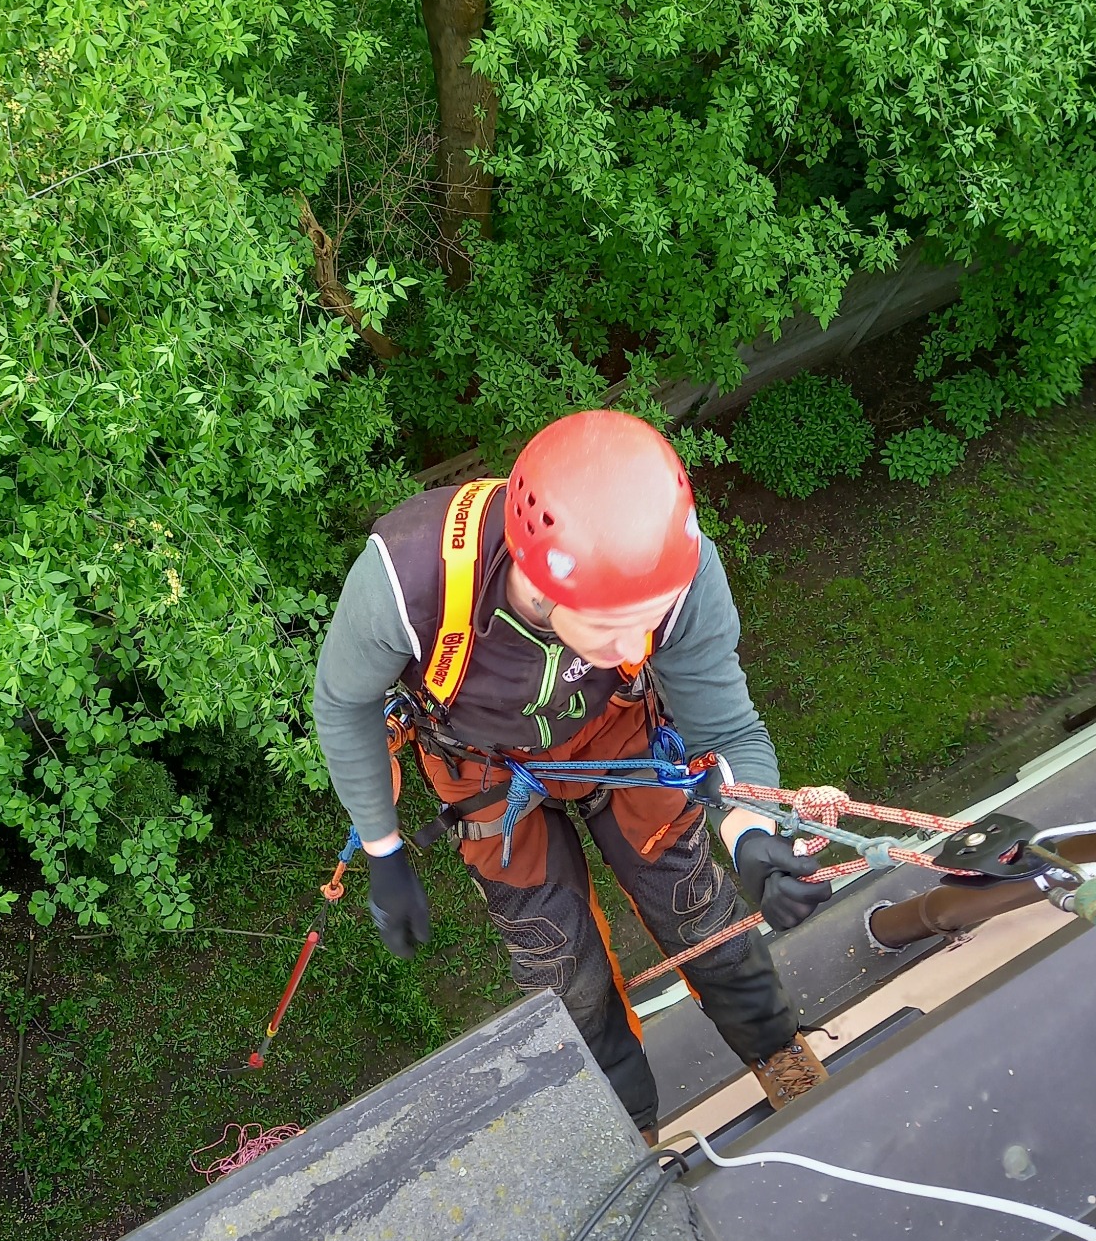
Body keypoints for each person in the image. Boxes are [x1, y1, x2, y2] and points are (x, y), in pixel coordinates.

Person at [313, 409, 831, 1137]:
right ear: (539, 582)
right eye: (614, 627)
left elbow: (726, 729)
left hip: (615, 731)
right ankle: (628, 1126)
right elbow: (344, 707)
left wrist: (750, 831)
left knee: (694, 905)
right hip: (483, 765)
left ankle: (777, 1050)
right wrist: (383, 849)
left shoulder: (673, 567)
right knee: (559, 966)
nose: (637, 643)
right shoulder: (409, 579)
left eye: (648, 621)